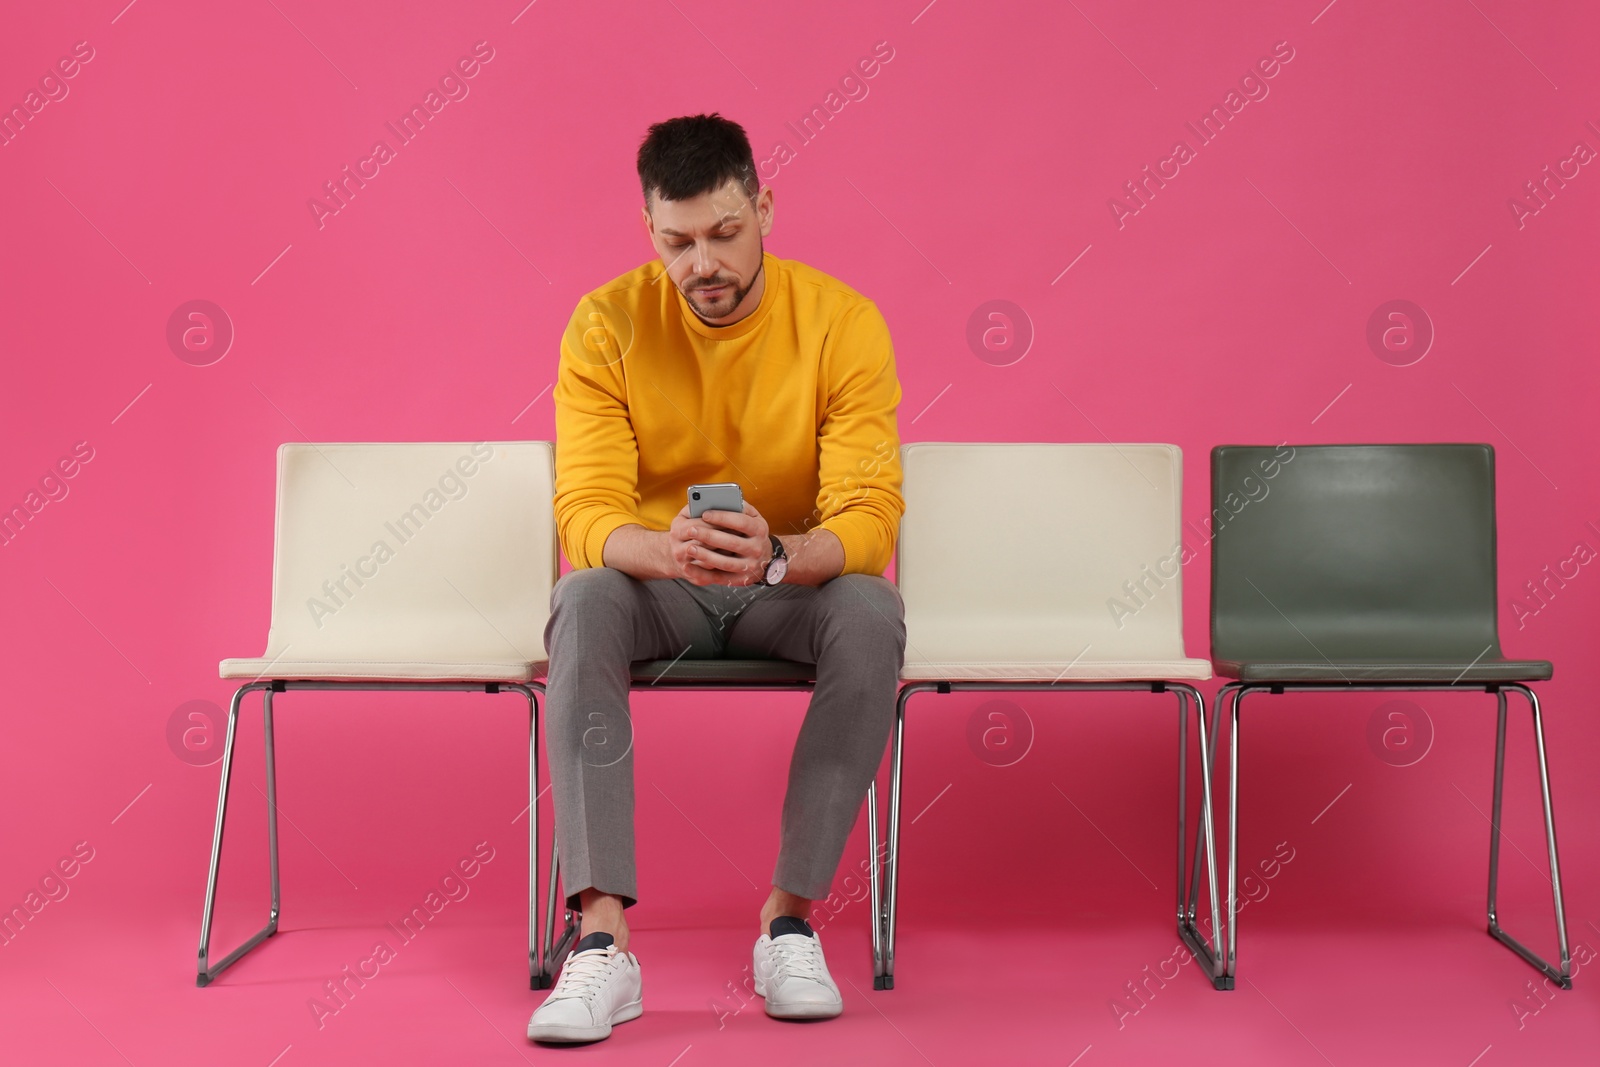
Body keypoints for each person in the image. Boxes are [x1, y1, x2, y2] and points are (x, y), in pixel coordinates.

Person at [526, 112, 907, 1044]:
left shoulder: (842, 322)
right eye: (678, 241)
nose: (704, 263)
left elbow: (868, 513)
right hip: (662, 586)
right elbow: (585, 510)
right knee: (580, 598)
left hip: (790, 585)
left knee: (872, 610)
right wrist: (672, 549)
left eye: (725, 233)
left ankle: (788, 921)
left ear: (765, 208)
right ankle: (601, 941)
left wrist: (777, 552)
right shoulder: (606, 323)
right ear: (650, 231)